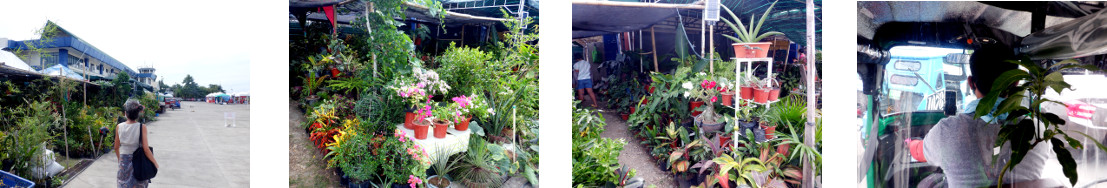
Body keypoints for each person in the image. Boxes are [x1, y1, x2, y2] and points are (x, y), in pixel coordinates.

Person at [906, 45, 1053, 187]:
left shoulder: (947, 130)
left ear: (971, 82)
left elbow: (919, 153)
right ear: (1016, 83)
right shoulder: (1038, 130)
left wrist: (909, 143)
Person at [114, 99, 159, 187]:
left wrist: (120, 160)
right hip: (138, 162)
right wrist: (155, 163)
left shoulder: (119, 126)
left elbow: (116, 147)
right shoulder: (142, 127)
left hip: (124, 162)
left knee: (123, 184)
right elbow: (146, 149)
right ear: (138, 114)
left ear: (125, 113)